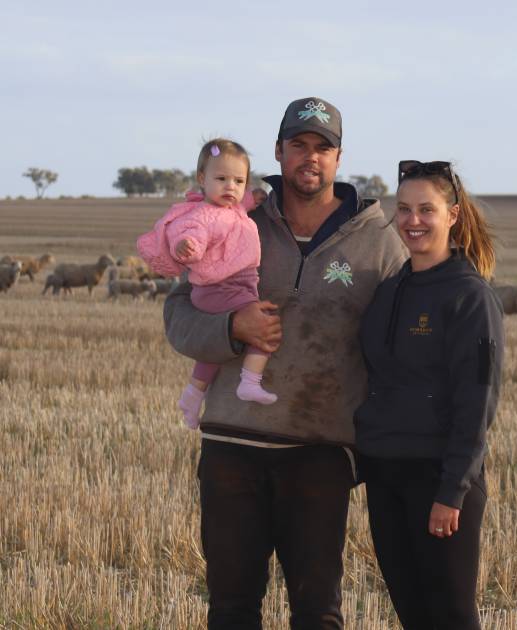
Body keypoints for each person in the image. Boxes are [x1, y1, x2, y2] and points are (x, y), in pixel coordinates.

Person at [162, 97, 407, 628]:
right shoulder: (234, 221)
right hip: (231, 444)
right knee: (230, 608)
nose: (310, 157)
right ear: (279, 151)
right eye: (299, 145)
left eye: (323, 147)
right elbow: (178, 315)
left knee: (318, 613)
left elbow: (400, 344)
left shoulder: (379, 242)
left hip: (319, 451)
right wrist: (231, 329)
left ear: (339, 158)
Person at [354, 160, 504, 629]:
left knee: (452, 617)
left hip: (438, 479)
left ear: (453, 215)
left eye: (426, 209)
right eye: (403, 209)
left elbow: (477, 401)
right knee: (414, 616)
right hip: (386, 475)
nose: (412, 220)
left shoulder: (470, 297)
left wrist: (452, 490)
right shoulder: (391, 289)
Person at [137, 138, 277, 430]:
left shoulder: (233, 208)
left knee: (213, 352)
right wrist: (187, 247)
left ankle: (193, 395)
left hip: (227, 287)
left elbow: (244, 203)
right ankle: (250, 381)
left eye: (239, 181)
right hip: (220, 288)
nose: (231, 187)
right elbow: (190, 234)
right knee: (265, 325)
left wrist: (256, 197)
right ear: (202, 179)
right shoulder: (200, 215)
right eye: (222, 179)